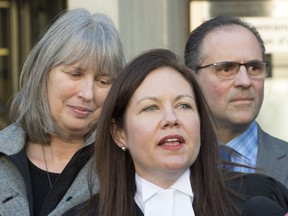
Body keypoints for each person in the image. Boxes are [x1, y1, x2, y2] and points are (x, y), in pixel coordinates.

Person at [63, 49, 288, 216]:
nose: (171, 119)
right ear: (119, 133)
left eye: (184, 106)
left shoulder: (259, 198)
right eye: (151, 107)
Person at [0, 8, 125, 216]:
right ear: (42, 73)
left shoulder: (126, 168)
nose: (87, 94)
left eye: (103, 81)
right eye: (75, 74)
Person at [184, 15, 288, 187]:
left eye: (254, 68)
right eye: (226, 69)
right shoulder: (165, 163)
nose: (245, 81)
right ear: (191, 78)